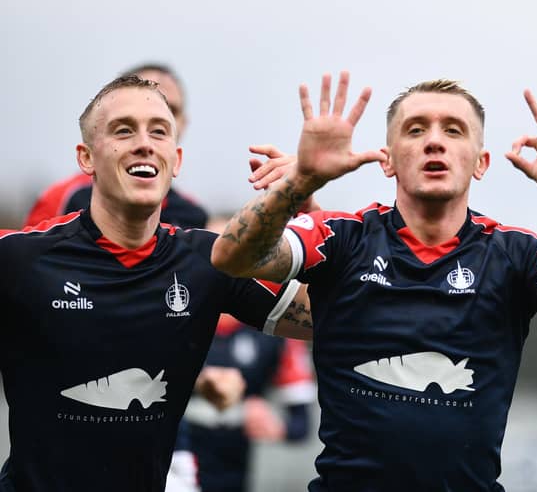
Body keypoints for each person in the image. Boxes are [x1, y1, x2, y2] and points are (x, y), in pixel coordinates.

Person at [210, 71, 537, 491]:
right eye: (416, 129)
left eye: (454, 130)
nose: (434, 141)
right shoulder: (341, 236)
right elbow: (231, 258)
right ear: (387, 159)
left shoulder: (521, 254)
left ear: (481, 163)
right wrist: (302, 180)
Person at [0, 75, 312, 492]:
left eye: (159, 131)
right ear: (86, 157)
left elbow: (338, 317)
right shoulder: (21, 258)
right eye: (123, 129)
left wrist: (309, 203)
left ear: (176, 159)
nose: (144, 142)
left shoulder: (210, 260)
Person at [172, 216, 315, 492]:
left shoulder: (277, 330)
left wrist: (273, 423)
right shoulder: (170, 313)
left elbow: (301, 424)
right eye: (211, 251)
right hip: (167, 468)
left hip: (233, 476)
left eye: (233, 253)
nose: (221, 262)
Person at [23, 63, 209, 229]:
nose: (144, 141)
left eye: (170, 110)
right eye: (126, 128)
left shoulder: (194, 214)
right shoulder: (63, 198)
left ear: (183, 123)